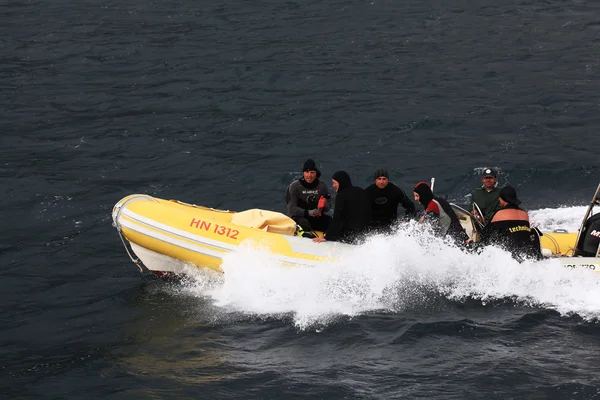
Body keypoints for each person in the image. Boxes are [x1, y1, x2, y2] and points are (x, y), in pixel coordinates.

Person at [478, 186, 542, 262]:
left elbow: (485, 234)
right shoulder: (524, 214)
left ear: (503, 199)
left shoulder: (499, 214)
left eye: (500, 198)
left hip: (510, 257)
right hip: (527, 255)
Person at [313, 171, 372, 244]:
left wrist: (327, 237)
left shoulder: (341, 195)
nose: (333, 186)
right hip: (365, 234)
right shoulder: (361, 191)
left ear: (341, 182)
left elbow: (337, 218)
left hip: (349, 236)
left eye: (334, 183)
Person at [413, 181, 469, 246]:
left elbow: (432, 230)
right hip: (459, 237)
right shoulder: (436, 201)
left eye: (417, 196)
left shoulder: (433, 205)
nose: (415, 199)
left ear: (423, 195)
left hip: (455, 243)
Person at [285, 159, 332, 232]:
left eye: (312, 172)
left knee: (331, 222)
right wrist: (310, 212)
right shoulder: (294, 187)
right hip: (298, 218)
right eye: (307, 172)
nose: (309, 175)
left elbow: (328, 206)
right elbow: (291, 209)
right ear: (303, 173)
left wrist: (324, 206)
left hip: (315, 217)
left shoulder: (322, 186)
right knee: (305, 224)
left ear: (316, 173)